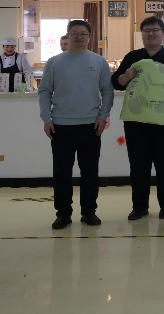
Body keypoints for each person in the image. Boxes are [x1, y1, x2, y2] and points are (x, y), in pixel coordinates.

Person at [39, 20, 114, 230]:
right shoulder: (54, 62)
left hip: (91, 125)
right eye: (74, 33)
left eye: (83, 33)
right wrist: (47, 119)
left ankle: (89, 212)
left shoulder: (99, 62)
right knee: (61, 172)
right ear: (68, 35)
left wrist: (103, 116)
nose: (79, 37)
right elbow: (45, 91)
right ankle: (63, 214)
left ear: (89, 37)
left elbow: (107, 91)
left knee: (90, 171)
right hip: (60, 126)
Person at [110, 16, 164, 221]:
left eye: (155, 30)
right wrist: (127, 76)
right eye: (147, 30)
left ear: (162, 34)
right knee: (138, 165)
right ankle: (139, 207)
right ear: (141, 34)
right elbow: (116, 82)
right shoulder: (133, 57)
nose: (151, 33)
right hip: (136, 123)